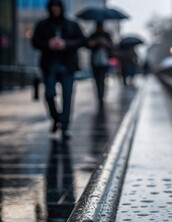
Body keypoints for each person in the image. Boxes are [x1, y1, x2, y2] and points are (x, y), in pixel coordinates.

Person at [32, 0, 86, 140]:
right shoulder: (42, 25)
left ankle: (65, 127)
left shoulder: (72, 25)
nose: (55, 10)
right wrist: (48, 44)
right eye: (53, 7)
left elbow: (82, 40)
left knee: (67, 97)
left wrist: (65, 44)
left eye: (57, 7)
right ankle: (56, 119)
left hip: (67, 66)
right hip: (50, 66)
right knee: (49, 94)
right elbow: (35, 42)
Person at [87, 22, 113, 106]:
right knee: (97, 80)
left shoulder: (106, 35)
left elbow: (111, 46)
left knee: (102, 79)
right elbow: (87, 44)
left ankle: (101, 95)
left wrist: (104, 43)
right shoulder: (93, 35)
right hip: (95, 62)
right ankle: (99, 96)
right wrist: (95, 43)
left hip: (104, 61)